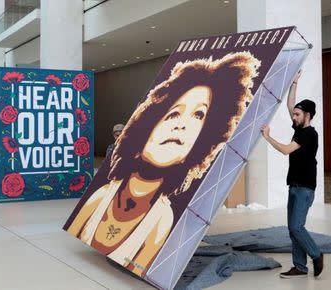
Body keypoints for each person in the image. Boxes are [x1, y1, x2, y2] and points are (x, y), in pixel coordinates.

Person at [65, 51, 261, 277]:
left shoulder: (161, 218)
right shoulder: (101, 197)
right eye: (174, 114)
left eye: (198, 115)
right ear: (147, 126)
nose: (182, 125)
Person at [260, 70, 324, 278]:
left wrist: (268, 137)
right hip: (294, 185)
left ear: (308, 116)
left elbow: (286, 149)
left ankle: (316, 254)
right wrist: (294, 83)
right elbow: (291, 104)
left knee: (297, 227)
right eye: (294, 114)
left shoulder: (309, 134)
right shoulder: (299, 127)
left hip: (305, 188)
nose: (293, 116)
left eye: (298, 114)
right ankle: (300, 267)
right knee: (292, 229)